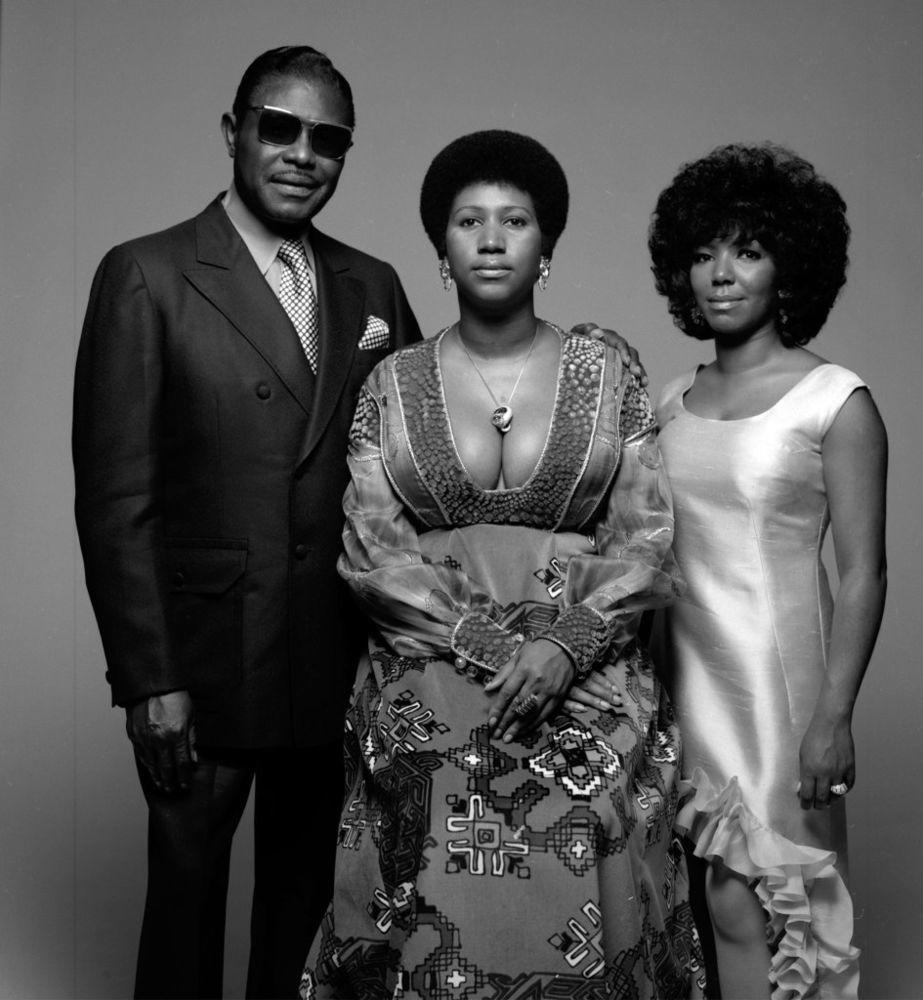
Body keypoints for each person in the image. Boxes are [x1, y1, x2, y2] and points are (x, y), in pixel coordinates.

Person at [300, 130, 704, 999]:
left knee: (595, 808)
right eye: (467, 221)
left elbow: (644, 537)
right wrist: (484, 642)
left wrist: (564, 645)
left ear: (545, 245)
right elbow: (373, 552)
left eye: (514, 220)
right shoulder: (391, 382)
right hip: (429, 665)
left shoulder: (608, 370)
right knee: (429, 801)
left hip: (587, 667)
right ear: (440, 248)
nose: (490, 238)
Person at [72, 46, 423, 999]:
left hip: (332, 656)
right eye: (280, 127)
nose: (303, 153)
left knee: (309, 925)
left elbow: (412, 467)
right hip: (204, 662)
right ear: (234, 133)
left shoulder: (373, 285)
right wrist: (150, 679)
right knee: (185, 924)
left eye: (328, 139)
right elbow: (116, 500)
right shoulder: (147, 275)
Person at [648, 143, 888, 999]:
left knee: (778, 903)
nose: (720, 273)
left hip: (779, 693)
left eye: (746, 250)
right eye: (705, 251)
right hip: (685, 687)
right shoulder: (669, 404)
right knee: (714, 910)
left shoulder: (833, 400)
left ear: (790, 265)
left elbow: (862, 573)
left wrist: (834, 715)